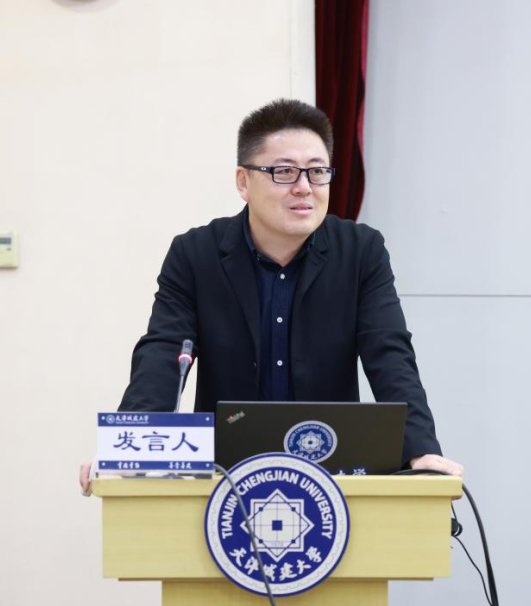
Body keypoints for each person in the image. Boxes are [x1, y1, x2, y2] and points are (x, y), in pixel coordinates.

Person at [80, 99, 461, 494]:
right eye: (284, 171)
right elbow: (163, 354)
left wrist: (420, 451)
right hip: (226, 477)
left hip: (332, 471)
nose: (304, 187)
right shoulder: (195, 254)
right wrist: (126, 453)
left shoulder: (360, 251)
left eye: (317, 172)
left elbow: (390, 354)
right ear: (243, 182)